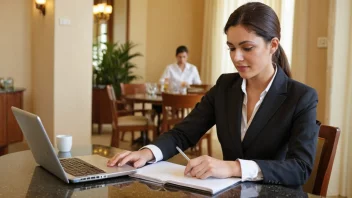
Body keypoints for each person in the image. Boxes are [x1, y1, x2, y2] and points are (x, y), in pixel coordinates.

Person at [108, 2, 319, 188]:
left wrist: (233, 167)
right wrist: (147, 153)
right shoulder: (225, 86)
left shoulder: (301, 97)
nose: (236, 57)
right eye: (231, 47)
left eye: (246, 48)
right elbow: (184, 133)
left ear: (273, 45)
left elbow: (299, 168)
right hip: (230, 193)